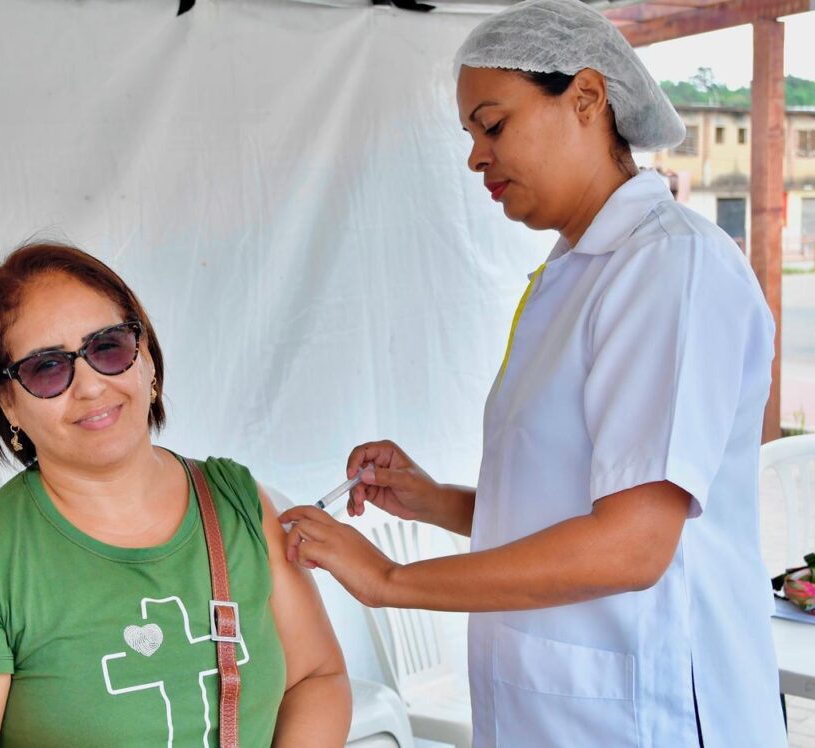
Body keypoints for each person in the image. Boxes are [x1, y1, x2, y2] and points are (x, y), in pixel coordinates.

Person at [279, 1, 785, 745]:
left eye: (494, 124)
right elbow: (571, 501)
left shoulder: (668, 267)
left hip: (653, 707)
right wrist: (435, 502)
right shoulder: (573, 272)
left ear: (585, 98)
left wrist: (390, 581)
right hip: (556, 704)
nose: (477, 156)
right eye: (471, 135)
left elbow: (633, 544)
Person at [0, 241, 350, 746]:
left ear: (146, 358)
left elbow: (316, 679)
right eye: (47, 368)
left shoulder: (235, 499)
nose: (88, 386)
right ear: (8, 402)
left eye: (108, 347)